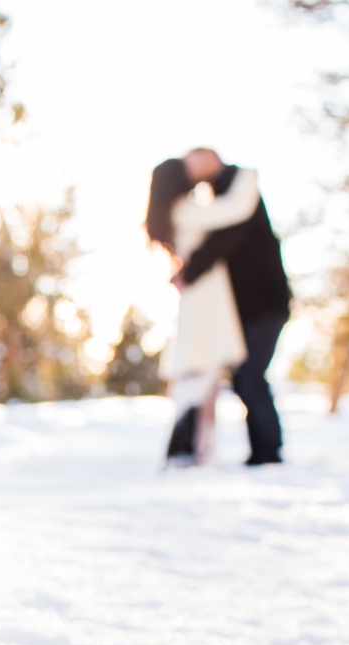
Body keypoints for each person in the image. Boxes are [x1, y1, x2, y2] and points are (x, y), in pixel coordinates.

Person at [175, 148, 291, 466]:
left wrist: (189, 270)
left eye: (192, 162)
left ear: (210, 157)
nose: (189, 171)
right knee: (245, 377)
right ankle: (263, 450)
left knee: (251, 375)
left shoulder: (239, 188)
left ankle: (269, 452)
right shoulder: (219, 196)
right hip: (247, 307)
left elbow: (226, 238)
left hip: (265, 302)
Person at [144, 157, 259, 465]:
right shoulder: (185, 210)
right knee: (202, 372)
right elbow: (235, 210)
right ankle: (193, 450)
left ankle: (196, 449)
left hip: (203, 296)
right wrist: (249, 176)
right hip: (205, 298)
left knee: (201, 372)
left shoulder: (174, 212)